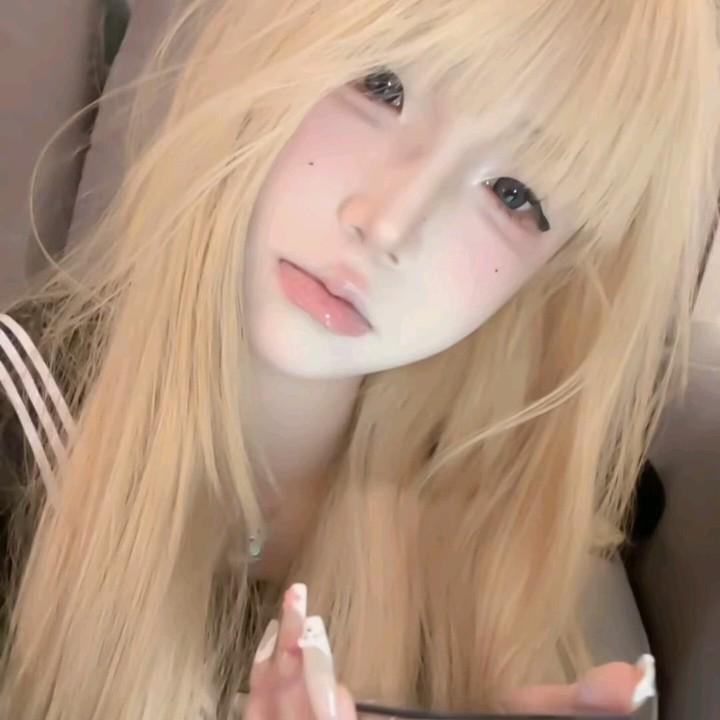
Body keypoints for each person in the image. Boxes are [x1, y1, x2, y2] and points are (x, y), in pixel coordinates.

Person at [0, 1, 718, 718]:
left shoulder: (488, 538)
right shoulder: (22, 426)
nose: (389, 224)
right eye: (381, 85)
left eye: (513, 195)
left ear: (556, 273)